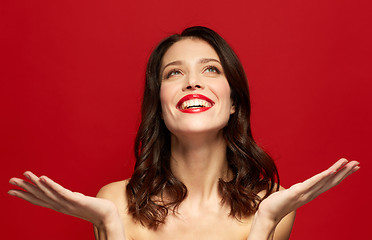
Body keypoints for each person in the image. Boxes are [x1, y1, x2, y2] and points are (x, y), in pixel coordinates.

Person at [8, 26, 360, 240]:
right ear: (159, 104)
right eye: (174, 73)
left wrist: (266, 222)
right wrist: (109, 227)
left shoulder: (270, 202)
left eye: (211, 69)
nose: (193, 81)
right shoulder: (113, 202)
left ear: (234, 101)